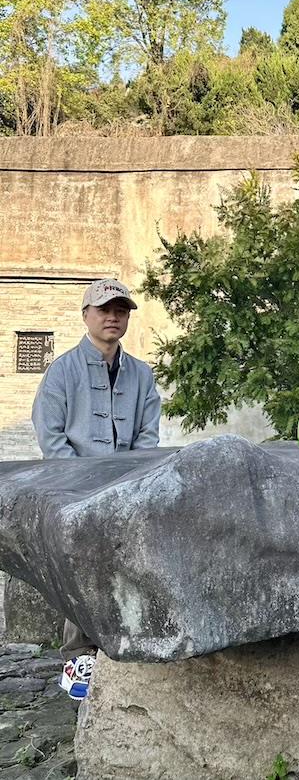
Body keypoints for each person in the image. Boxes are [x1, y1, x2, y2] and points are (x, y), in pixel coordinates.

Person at [32, 278, 161, 699]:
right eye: (104, 309)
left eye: (121, 310)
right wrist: (82, 481)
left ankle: (125, 649)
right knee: (80, 570)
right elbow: (50, 435)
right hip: (75, 491)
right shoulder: (62, 370)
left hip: (127, 488)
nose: (113, 317)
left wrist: (128, 476)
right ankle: (79, 656)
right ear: (85, 315)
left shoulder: (141, 374)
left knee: (129, 565)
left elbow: (147, 434)